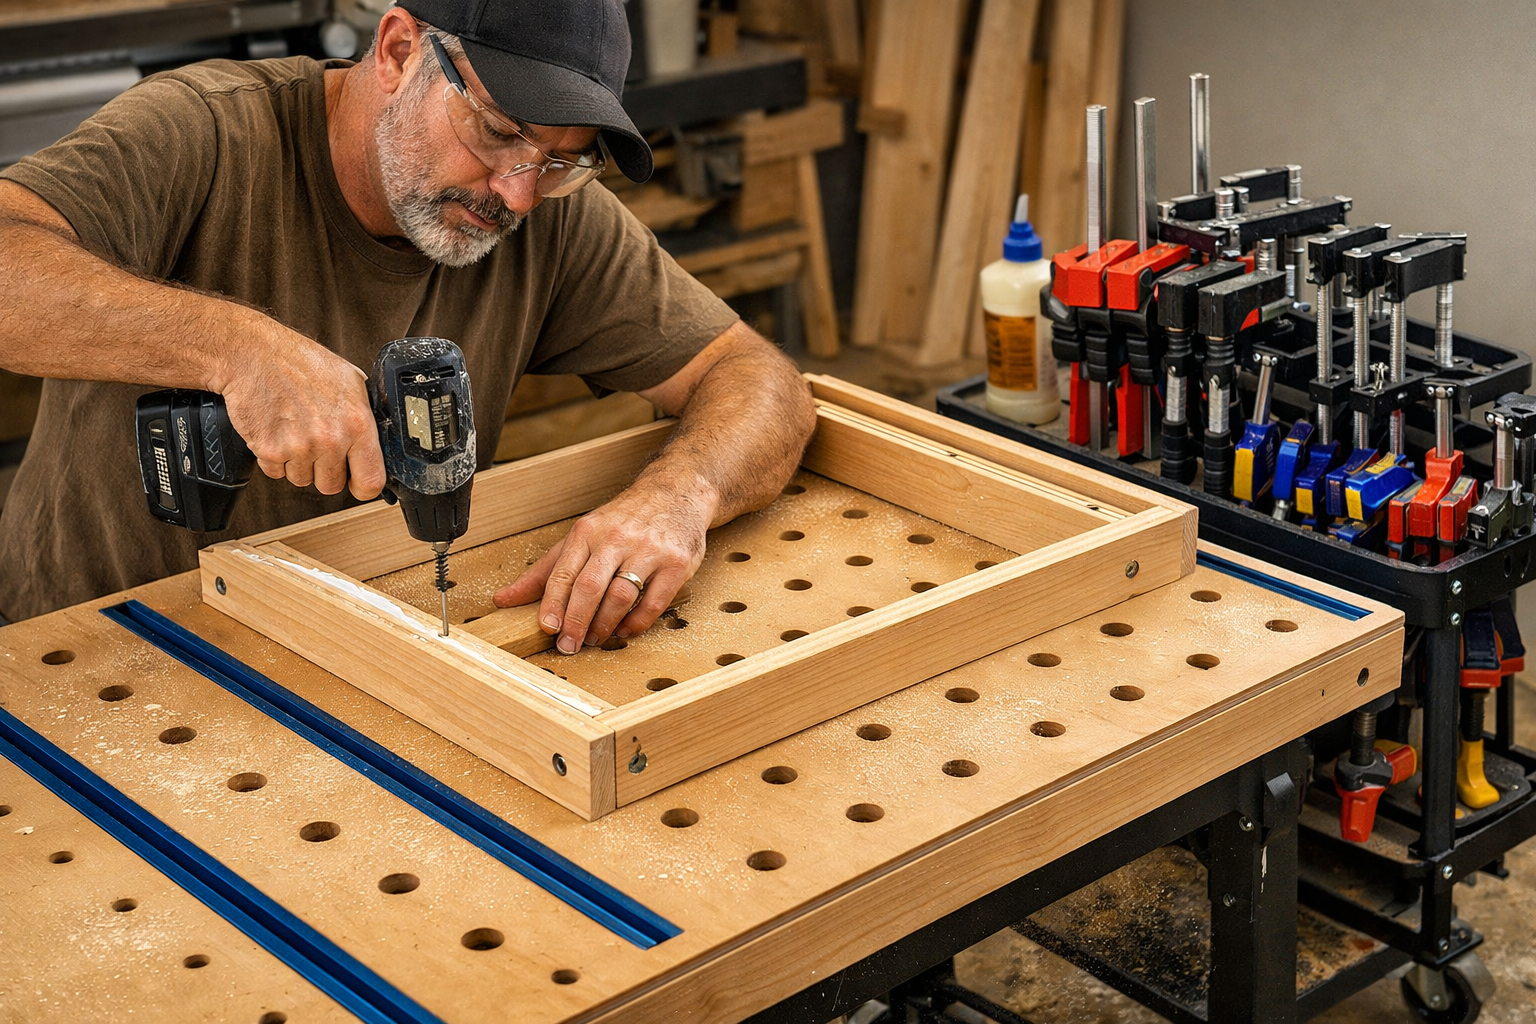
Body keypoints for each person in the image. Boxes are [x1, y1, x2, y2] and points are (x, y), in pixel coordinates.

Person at [0, 0, 817, 653]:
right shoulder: (206, 132)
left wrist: (679, 497)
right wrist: (237, 351)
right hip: (104, 644)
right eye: (499, 131)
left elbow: (759, 380)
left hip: (368, 656)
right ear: (397, 52)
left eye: (563, 162)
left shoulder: (544, 214)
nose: (518, 193)